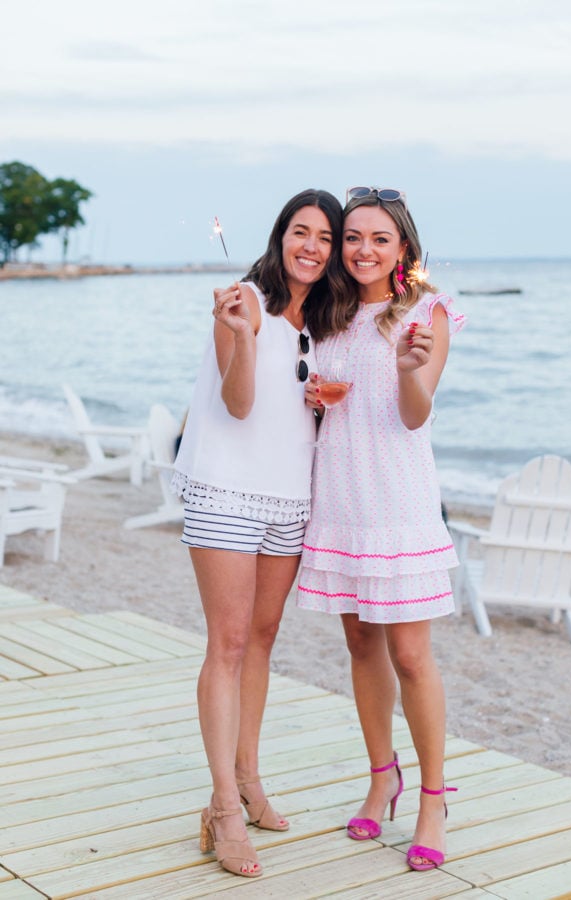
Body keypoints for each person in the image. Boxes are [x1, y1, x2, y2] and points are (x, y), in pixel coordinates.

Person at [171, 189, 349, 879]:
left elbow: (301, 410)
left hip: (291, 498)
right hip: (227, 489)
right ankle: (221, 805)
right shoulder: (243, 300)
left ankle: (248, 776)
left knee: (265, 639)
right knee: (230, 641)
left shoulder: (323, 322)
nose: (312, 246)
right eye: (300, 232)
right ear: (281, 238)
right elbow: (238, 403)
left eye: (325, 238)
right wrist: (243, 337)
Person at [298, 186, 465, 872]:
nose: (364, 250)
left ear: (404, 249)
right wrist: (311, 399)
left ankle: (432, 797)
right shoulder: (327, 314)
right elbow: (318, 405)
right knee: (361, 645)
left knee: (412, 656)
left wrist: (406, 372)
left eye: (379, 239)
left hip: (397, 502)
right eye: (353, 238)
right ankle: (380, 777)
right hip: (338, 497)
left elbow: (417, 415)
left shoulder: (425, 314)